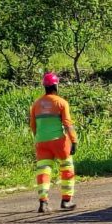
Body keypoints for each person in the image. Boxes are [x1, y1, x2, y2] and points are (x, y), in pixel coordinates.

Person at [29, 72, 77, 213]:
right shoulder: (61, 102)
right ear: (56, 85)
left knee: (43, 171)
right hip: (59, 142)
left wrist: (39, 138)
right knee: (67, 169)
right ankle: (66, 201)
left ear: (44, 86)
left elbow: (33, 125)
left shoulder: (36, 104)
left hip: (41, 142)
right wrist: (73, 140)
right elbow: (67, 124)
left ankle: (43, 203)